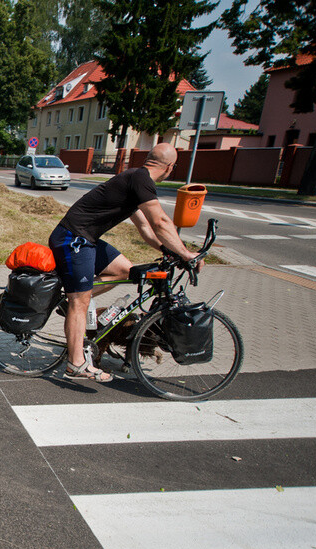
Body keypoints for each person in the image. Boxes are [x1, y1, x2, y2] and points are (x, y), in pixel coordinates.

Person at [48, 143, 204, 382]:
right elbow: (160, 222)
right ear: (170, 167)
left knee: (126, 271)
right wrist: (186, 253)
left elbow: (145, 227)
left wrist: (166, 250)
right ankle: (76, 362)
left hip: (84, 238)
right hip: (73, 238)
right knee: (81, 301)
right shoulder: (140, 179)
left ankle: (72, 296)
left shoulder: (134, 179)